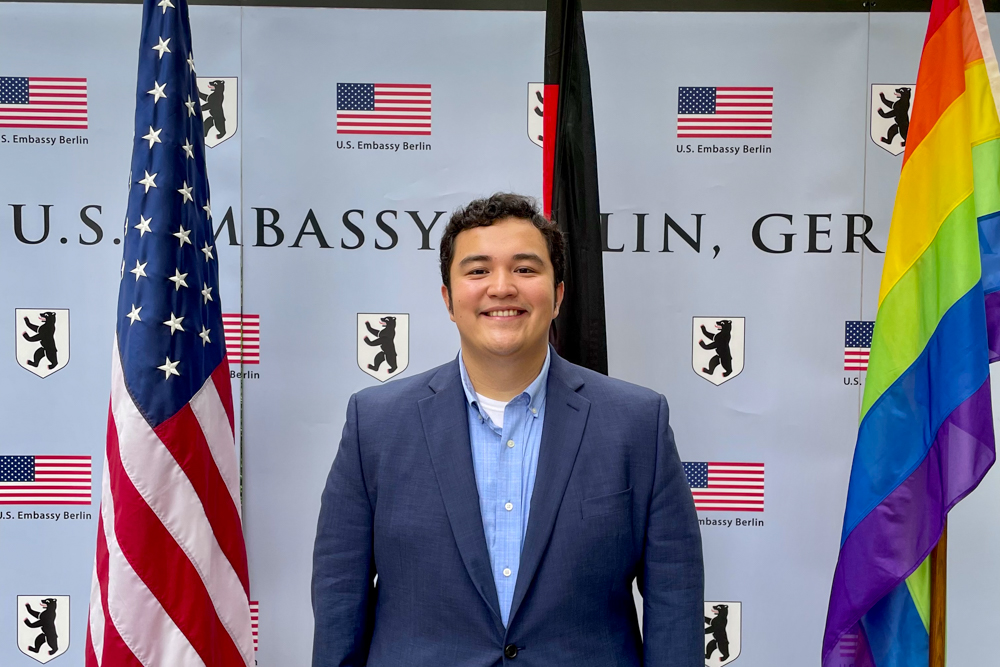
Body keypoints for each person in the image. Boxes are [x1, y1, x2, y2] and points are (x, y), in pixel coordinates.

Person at [312, 193, 703, 666]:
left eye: (525, 269)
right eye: (477, 271)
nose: (502, 287)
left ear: (558, 295)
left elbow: (675, 599)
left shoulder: (637, 423)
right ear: (448, 299)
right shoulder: (374, 424)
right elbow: (339, 598)